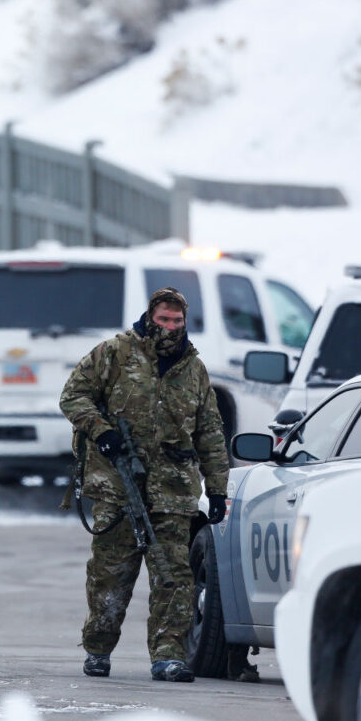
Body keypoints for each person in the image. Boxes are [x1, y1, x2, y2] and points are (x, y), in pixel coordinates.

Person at [59, 287, 229, 682]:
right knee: (110, 574)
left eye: (177, 321)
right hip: (118, 487)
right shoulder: (114, 353)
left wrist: (217, 488)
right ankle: (98, 647)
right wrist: (101, 431)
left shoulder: (194, 370)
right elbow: (73, 396)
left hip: (173, 491)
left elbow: (210, 432)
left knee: (174, 577)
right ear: (150, 317)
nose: (170, 327)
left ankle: (168, 656)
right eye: (163, 319)